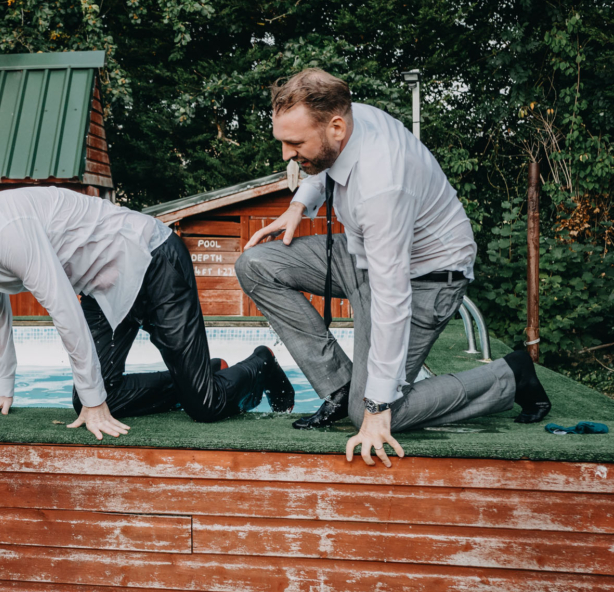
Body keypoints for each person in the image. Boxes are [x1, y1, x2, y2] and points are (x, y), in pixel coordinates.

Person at [235, 68, 552, 466]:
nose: (285, 154)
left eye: (295, 143)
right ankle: (342, 388)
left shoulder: (381, 185)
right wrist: (300, 204)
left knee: (374, 411)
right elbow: (326, 162)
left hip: (426, 280)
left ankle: (510, 375)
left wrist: (376, 407)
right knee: (256, 264)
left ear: (336, 126)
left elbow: (392, 298)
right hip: (365, 255)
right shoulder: (350, 117)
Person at [0, 189, 296, 438]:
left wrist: (96, 405)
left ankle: (259, 364)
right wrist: (2, 389)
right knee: (91, 395)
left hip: (151, 260)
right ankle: (204, 372)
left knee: (204, 405)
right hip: (104, 283)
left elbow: (63, 308)